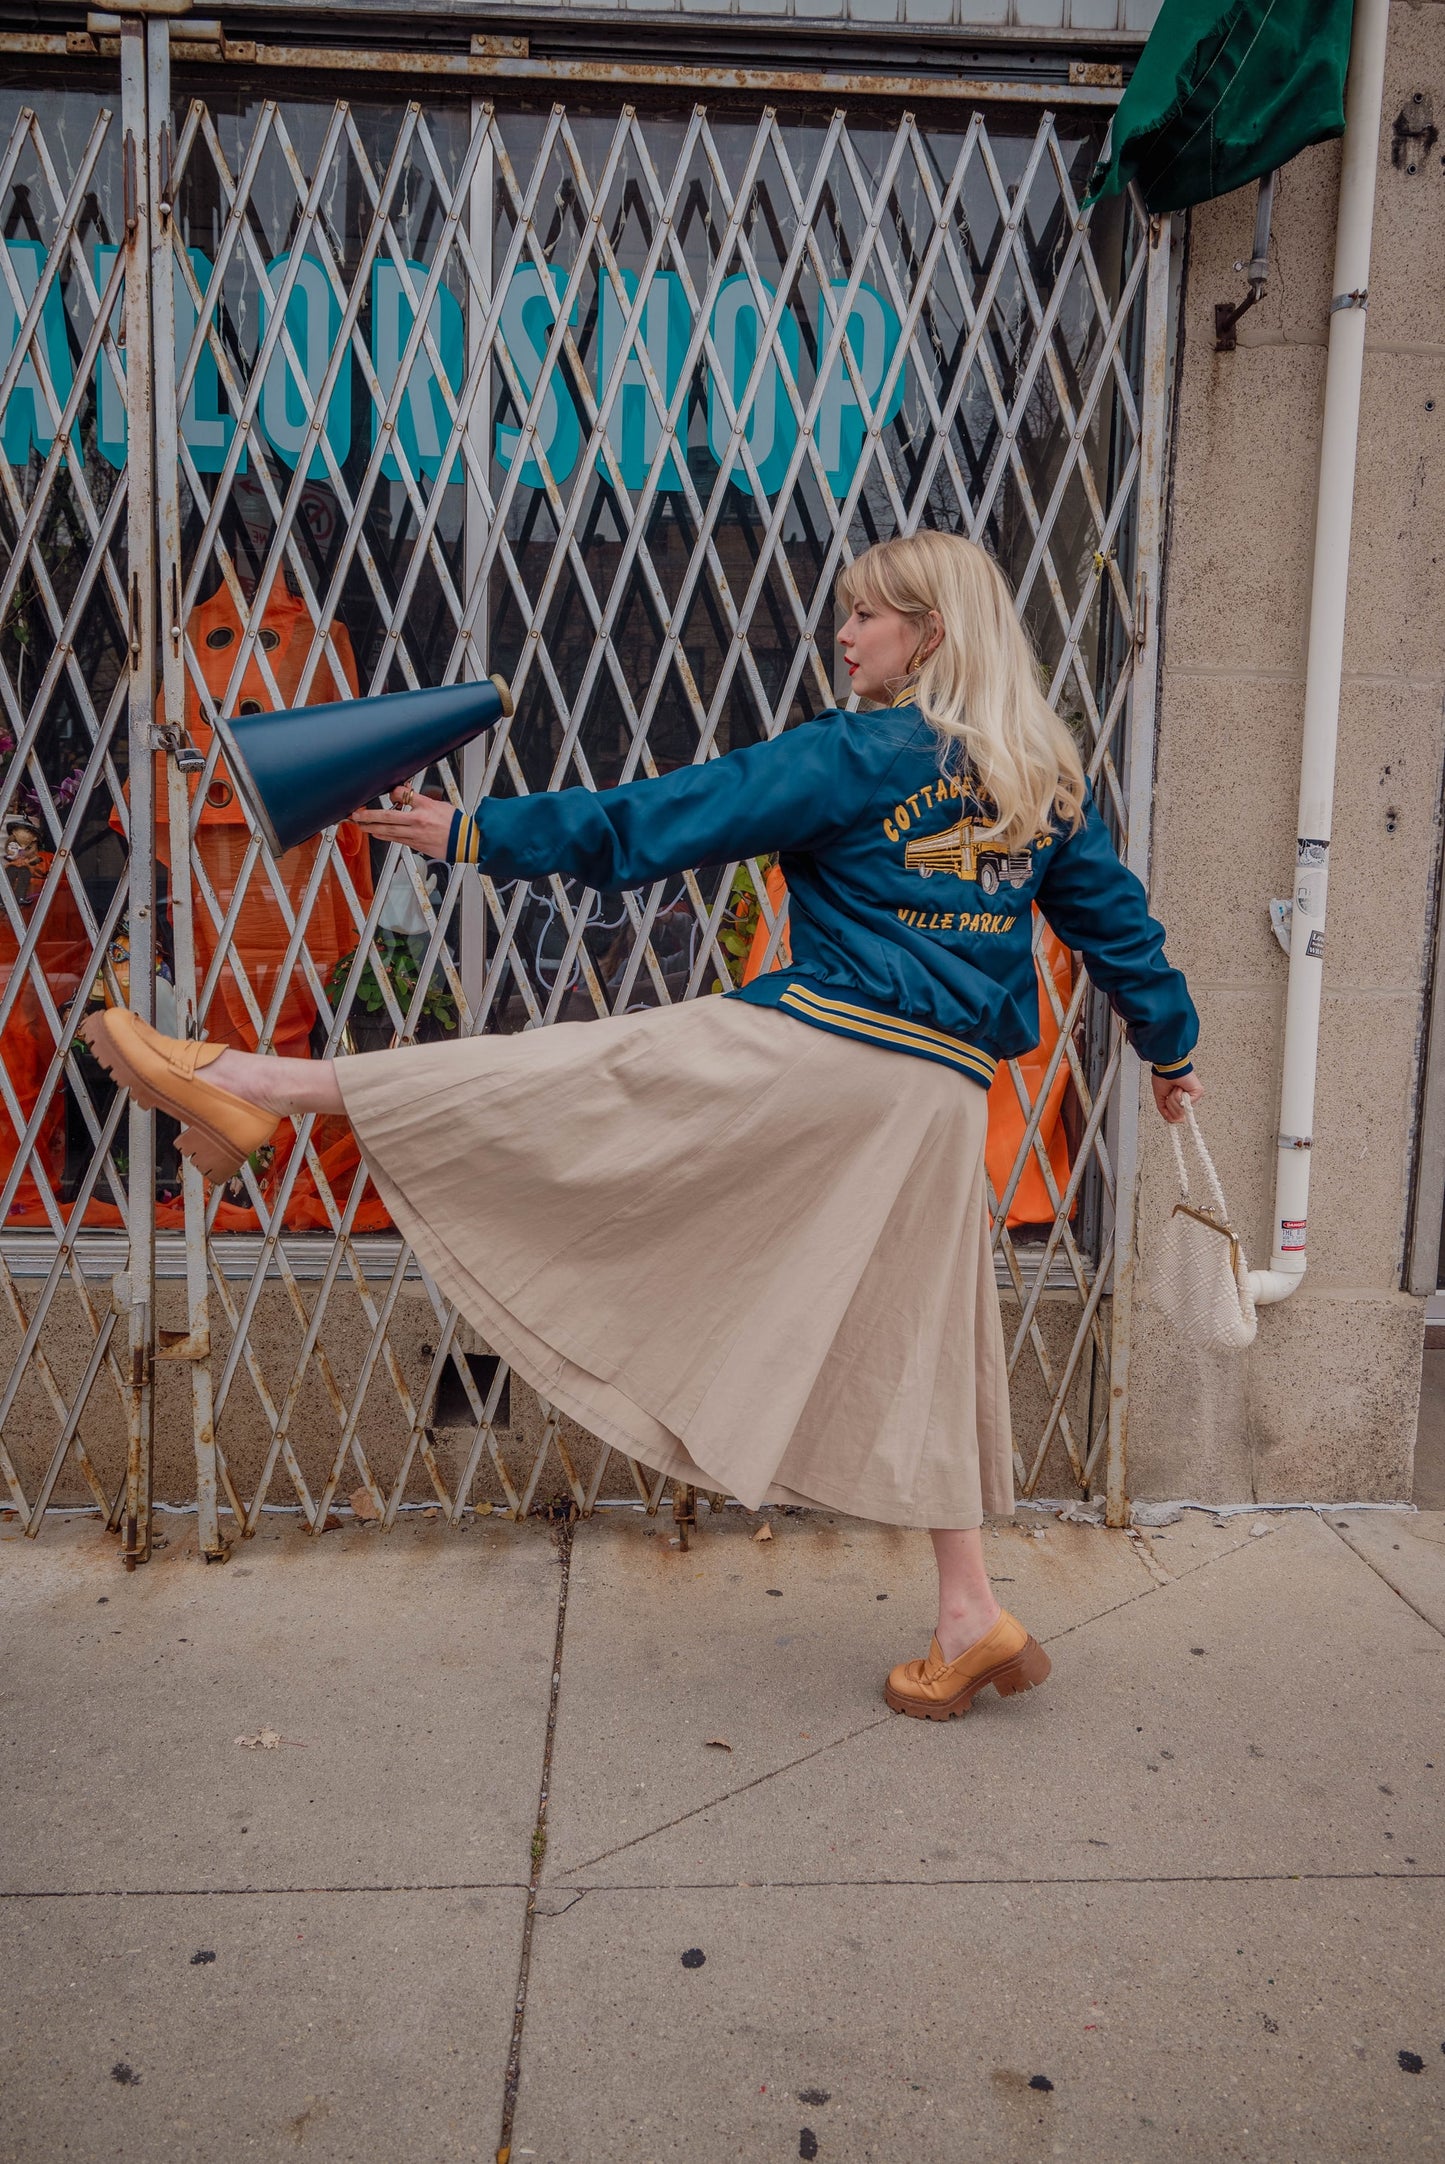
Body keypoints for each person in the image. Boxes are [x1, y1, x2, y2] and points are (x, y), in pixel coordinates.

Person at [83, 533, 1201, 1721]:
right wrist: (1169, 1050)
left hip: (831, 1051)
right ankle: (970, 1610)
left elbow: (661, 819)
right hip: (940, 1102)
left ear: (925, 635)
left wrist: (473, 835)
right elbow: (1116, 925)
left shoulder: (854, 753)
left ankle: (252, 1079)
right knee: (929, 1340)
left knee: (577, 1078)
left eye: (865, 618)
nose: (842, 634)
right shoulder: (1037, 775)